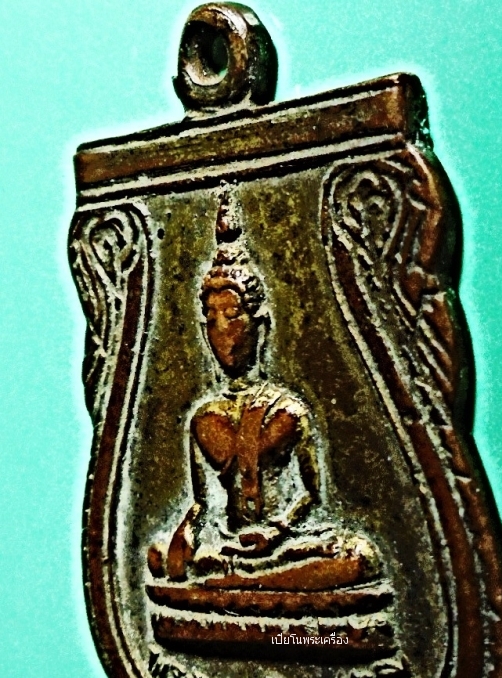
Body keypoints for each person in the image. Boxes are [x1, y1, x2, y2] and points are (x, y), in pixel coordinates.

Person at [148, 190, 382, 592]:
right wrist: (188, 533)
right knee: (157, 553)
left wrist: (277, 530)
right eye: (211, 317)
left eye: (233, 314)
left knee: (357, 557)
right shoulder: (205, 419)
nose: (222, 330)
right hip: (227, 542)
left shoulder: (287, 411)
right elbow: (203, 503)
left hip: (283, 541)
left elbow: (310, 493)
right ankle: (242, 578)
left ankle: (238, 581)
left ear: (261, 324)